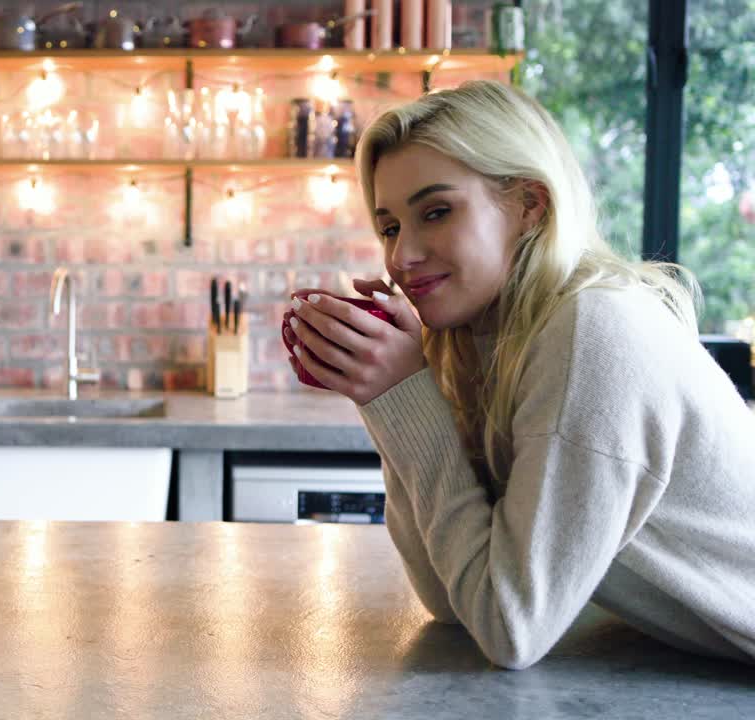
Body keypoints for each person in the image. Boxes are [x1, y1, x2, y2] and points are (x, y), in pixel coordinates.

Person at [284, 79, 755, 670]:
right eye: (390, 227)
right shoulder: (484, 340)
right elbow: (452, 599)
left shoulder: (592, 329)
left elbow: (509, 629)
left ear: (530, 204)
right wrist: (392, 398)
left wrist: (403, 394)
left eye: (437, 212)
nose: (402, 256)